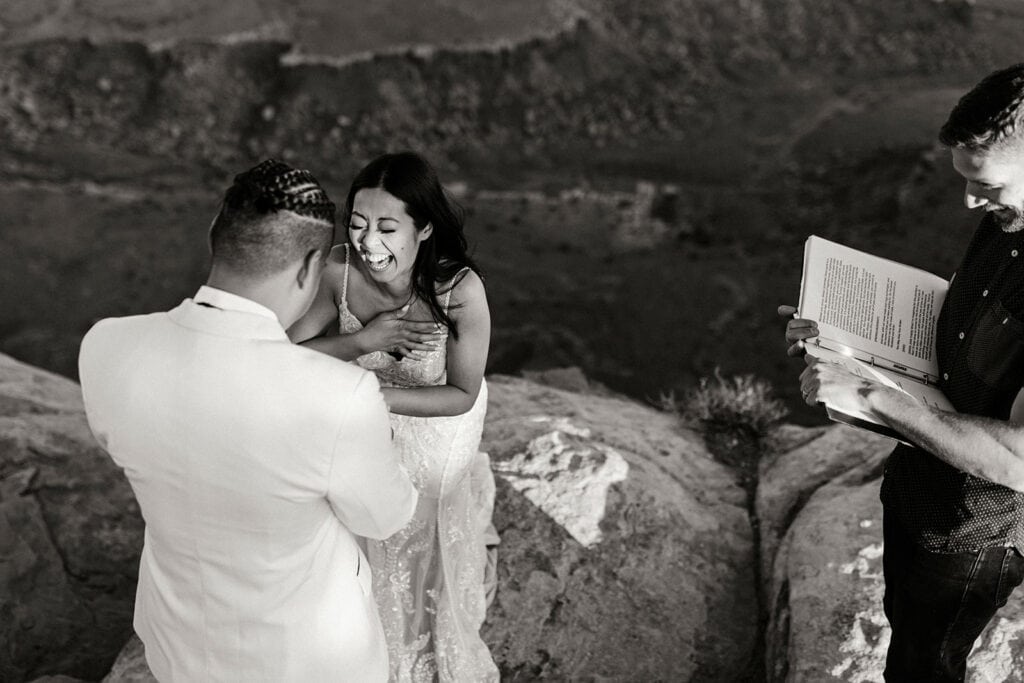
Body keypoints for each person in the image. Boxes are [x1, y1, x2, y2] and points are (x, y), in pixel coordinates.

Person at [78, 160, 418, 682]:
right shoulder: (337, 396)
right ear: (309, 269)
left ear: (215, 232)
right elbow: (385, 518)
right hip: (308, 661)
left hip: (178, 644)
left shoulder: (106, 345)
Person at [781, 63, 1024, 682]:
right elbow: (974, 326)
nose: (970, 202)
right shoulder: (1011, 218)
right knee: (906, 625)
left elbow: (1020, 460)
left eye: (986, 186)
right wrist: (843, 336)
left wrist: (869, 394)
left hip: (973, 525)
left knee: (925, 662)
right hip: (922, 480)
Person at [289, 151, 499, 682]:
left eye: (387, 227)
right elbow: (289, 352)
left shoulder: (460, 291)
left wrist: (368, 393)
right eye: (358, 225)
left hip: (437, 428)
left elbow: (462, 393)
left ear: (424, 228)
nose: (368, 243)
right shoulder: (340, 271)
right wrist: (362, 340)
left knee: (417, 544)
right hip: (364, 428)